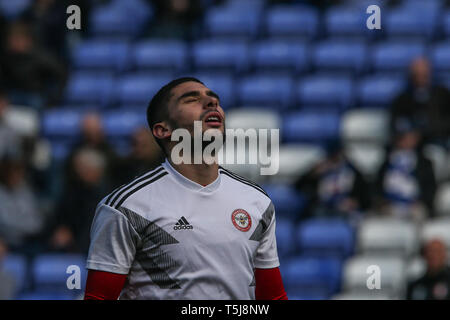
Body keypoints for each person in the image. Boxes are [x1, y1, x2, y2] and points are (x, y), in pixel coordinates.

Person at [84, 77, 287, 300]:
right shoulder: (126, 207)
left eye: (215, 100)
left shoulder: (257, 201)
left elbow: (273, 297)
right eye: (192, 99)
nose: (212, 103)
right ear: (163, 130)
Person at [47, 147, 108, 254]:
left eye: (82, 168)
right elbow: (60, 219)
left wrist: (73, 240)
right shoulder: (72, 192)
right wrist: (60, 230)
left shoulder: (107, 197)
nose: (77, 172)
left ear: (95, 170)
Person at [375, 119, 437, 223]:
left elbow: (430, 186)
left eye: (410, 136)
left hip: (414, 206)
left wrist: (422, 202)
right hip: (390, 205)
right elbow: (378, 186)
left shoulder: (424, 162)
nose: (406, 140)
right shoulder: (387, 161)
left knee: (420, 214)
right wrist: (382, 202)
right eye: (403, 137)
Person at [294, 140, 371, 223]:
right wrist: (313, 173)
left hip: (347, 211)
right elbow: (298, 185)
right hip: (323, 209)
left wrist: (355, 202)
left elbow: (364, 193)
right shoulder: (321, 168)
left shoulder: (351, 170)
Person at [0, 21, 67, 109]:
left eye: (17, 39)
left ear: (27, 40)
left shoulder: (41, 57)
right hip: (12, 97)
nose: (13, 43)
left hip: (34, 98)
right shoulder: (6, 58)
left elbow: (61, 74)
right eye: (12, 40)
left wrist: (53, 98)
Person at [390, 57, 450, 149]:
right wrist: (404, 136)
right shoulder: (402, 99)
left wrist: (421, 134)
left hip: (438, 142)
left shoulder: (442, 95)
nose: (420, 78)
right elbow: (395, 122)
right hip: (409, 145)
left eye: (424, 75)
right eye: (416, 75)